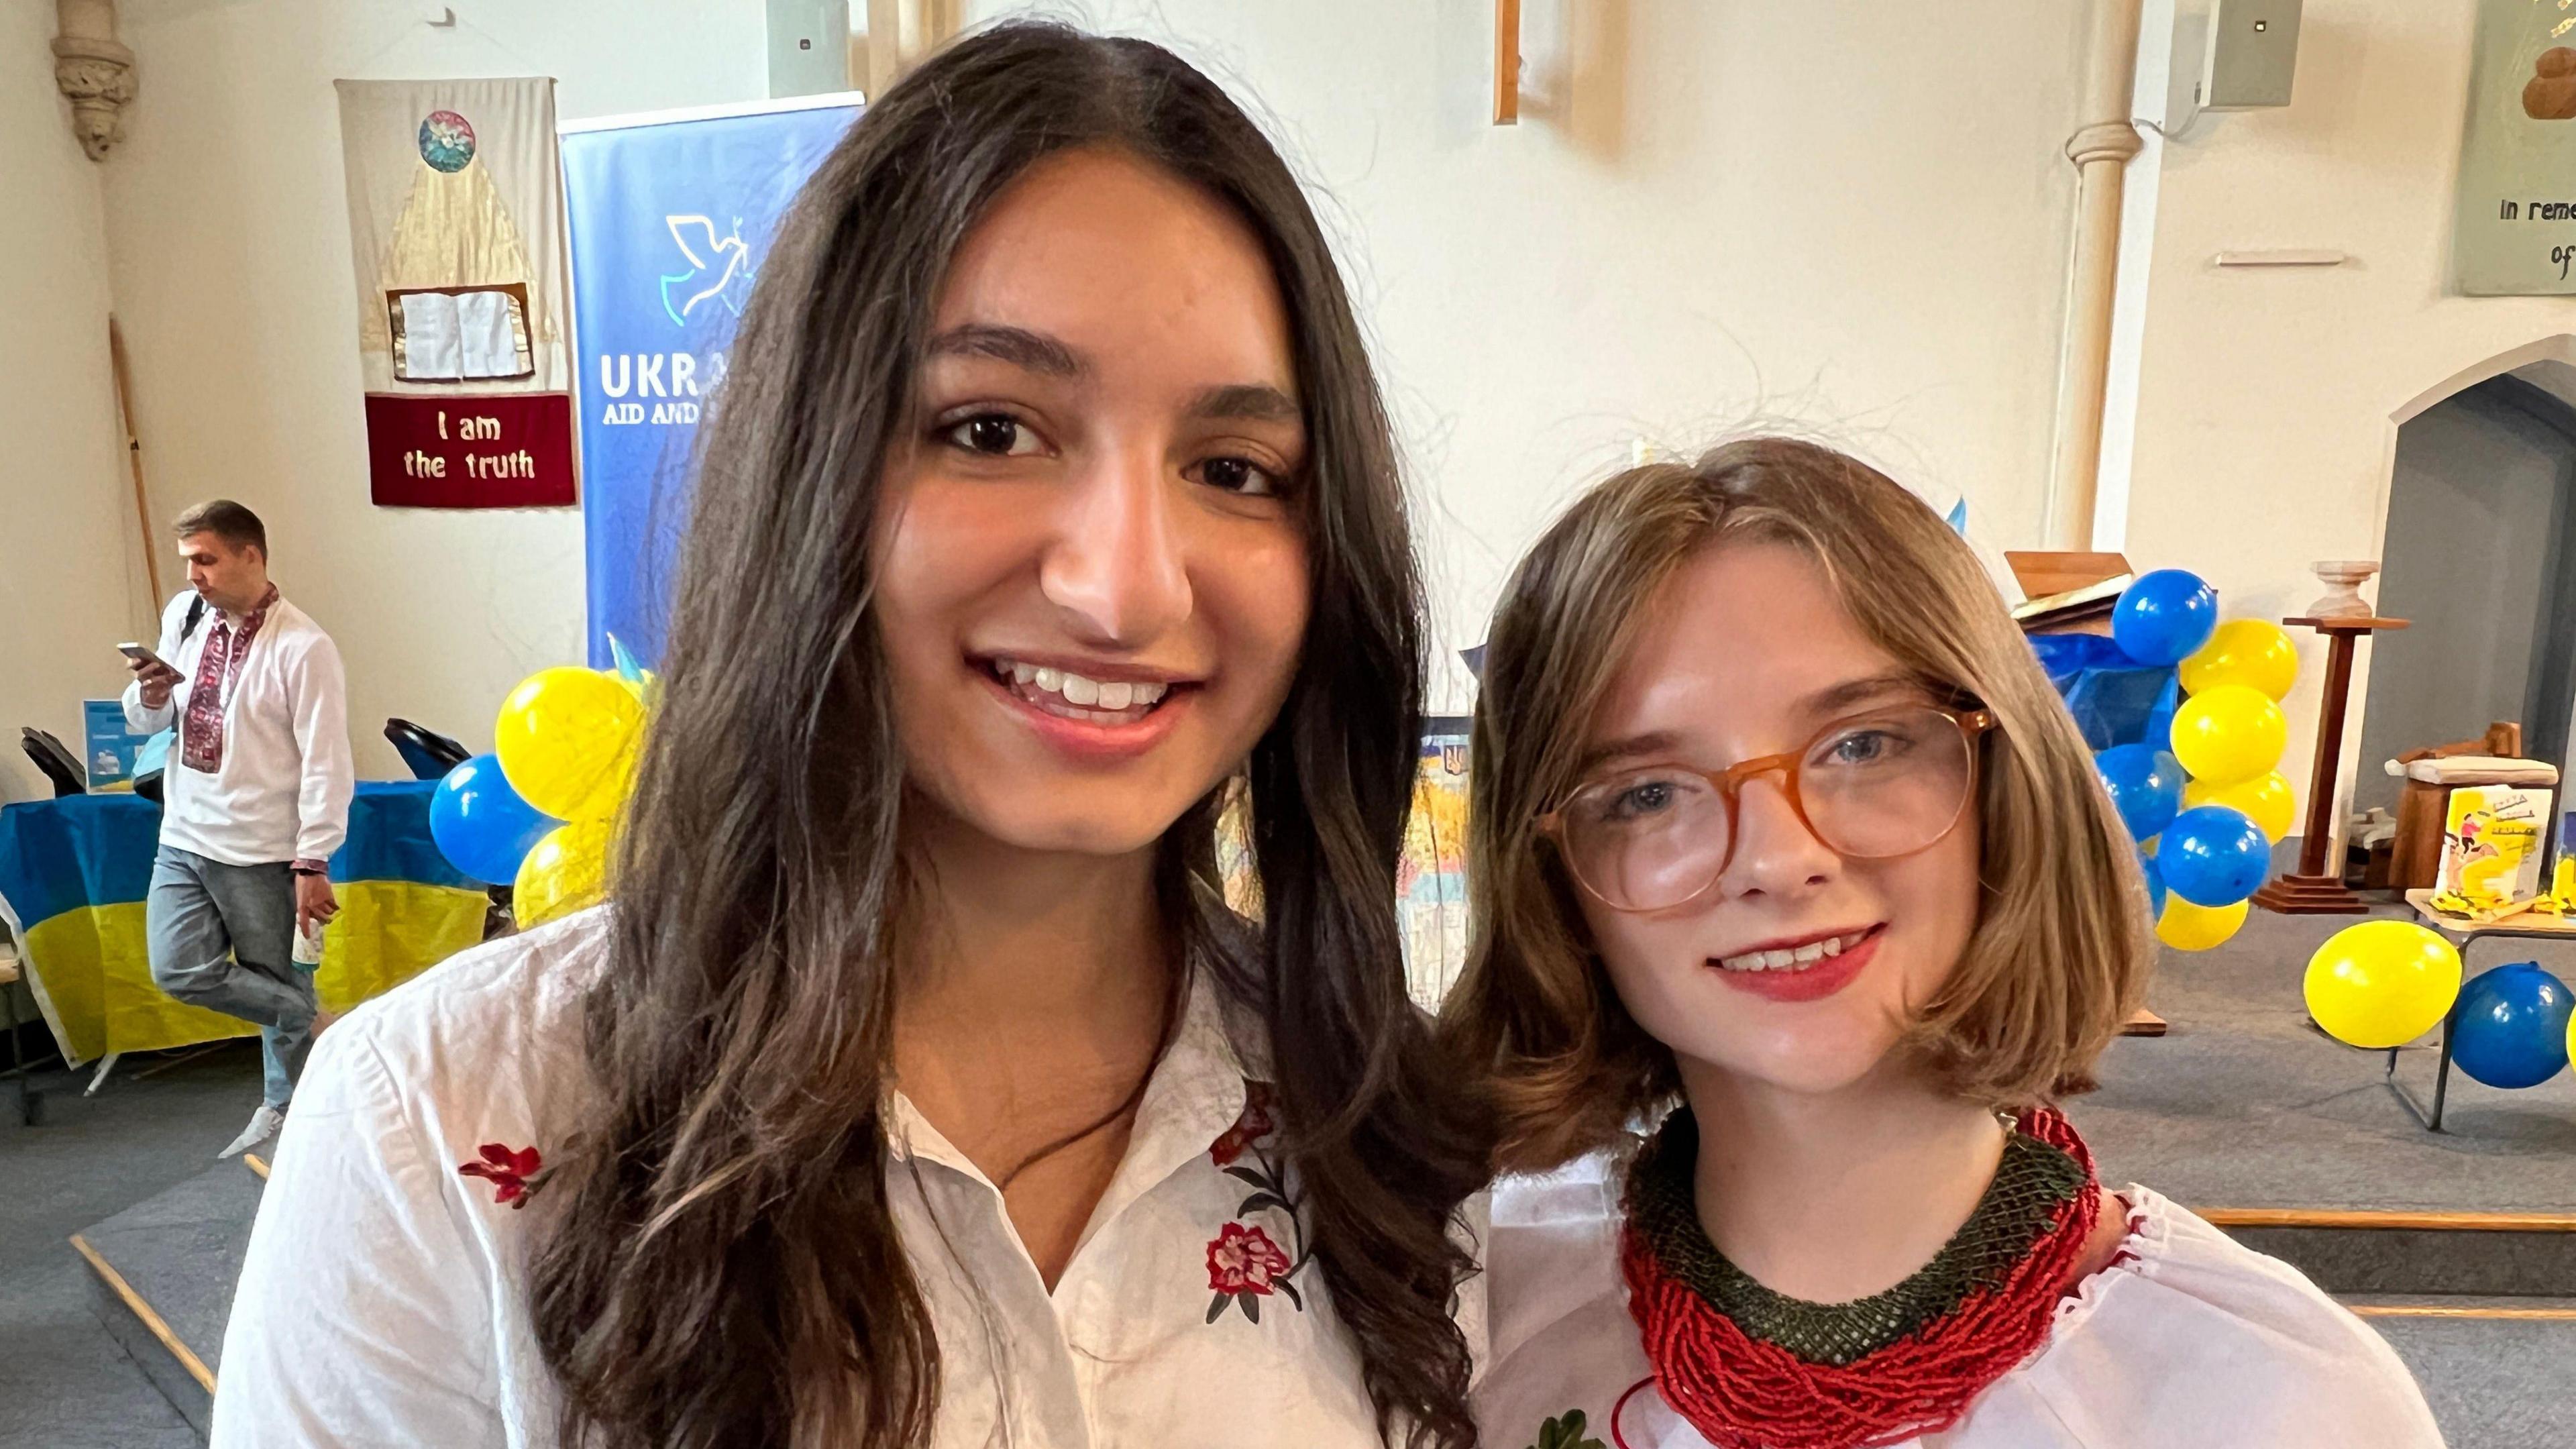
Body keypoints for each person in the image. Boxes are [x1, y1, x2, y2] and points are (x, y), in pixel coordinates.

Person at [212, 24, 1485, 1449]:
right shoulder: (438, 1128)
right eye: (993, 430)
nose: (1127, 587)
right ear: (811, 471)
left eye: (1235, 469)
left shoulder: (1390, 1142)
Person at [1443, 439, 2443, 1448]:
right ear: (1554, 877)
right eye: (1647, 793)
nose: (1780, 859)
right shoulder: (1464, 1321)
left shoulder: (2274, 1402)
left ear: (2006, 777)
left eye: (1863, 744)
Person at [122, 499, 352, 1159]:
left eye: (206, 559)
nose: (194, 574)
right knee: (178, 970)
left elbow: (327, 762)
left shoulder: (304, 647)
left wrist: (314, 862)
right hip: (184, 834)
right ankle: (319, 1028)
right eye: (187, 561)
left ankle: (291, 1118)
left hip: (261, 849)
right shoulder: (184, 615)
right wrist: (152, 692)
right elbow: (142, 722)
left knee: (277, 976)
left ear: (251, 555)